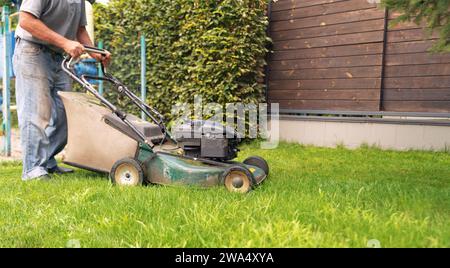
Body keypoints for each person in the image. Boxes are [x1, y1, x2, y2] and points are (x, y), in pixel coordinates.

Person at [13, 0, 111, 181]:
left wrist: (95, 52)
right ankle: (32, 168)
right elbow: (26, 20)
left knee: (67, 113)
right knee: (35, 113)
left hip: (59, 57)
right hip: (32, 52)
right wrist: (64, 42)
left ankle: (46, 161)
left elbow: (79, 29)